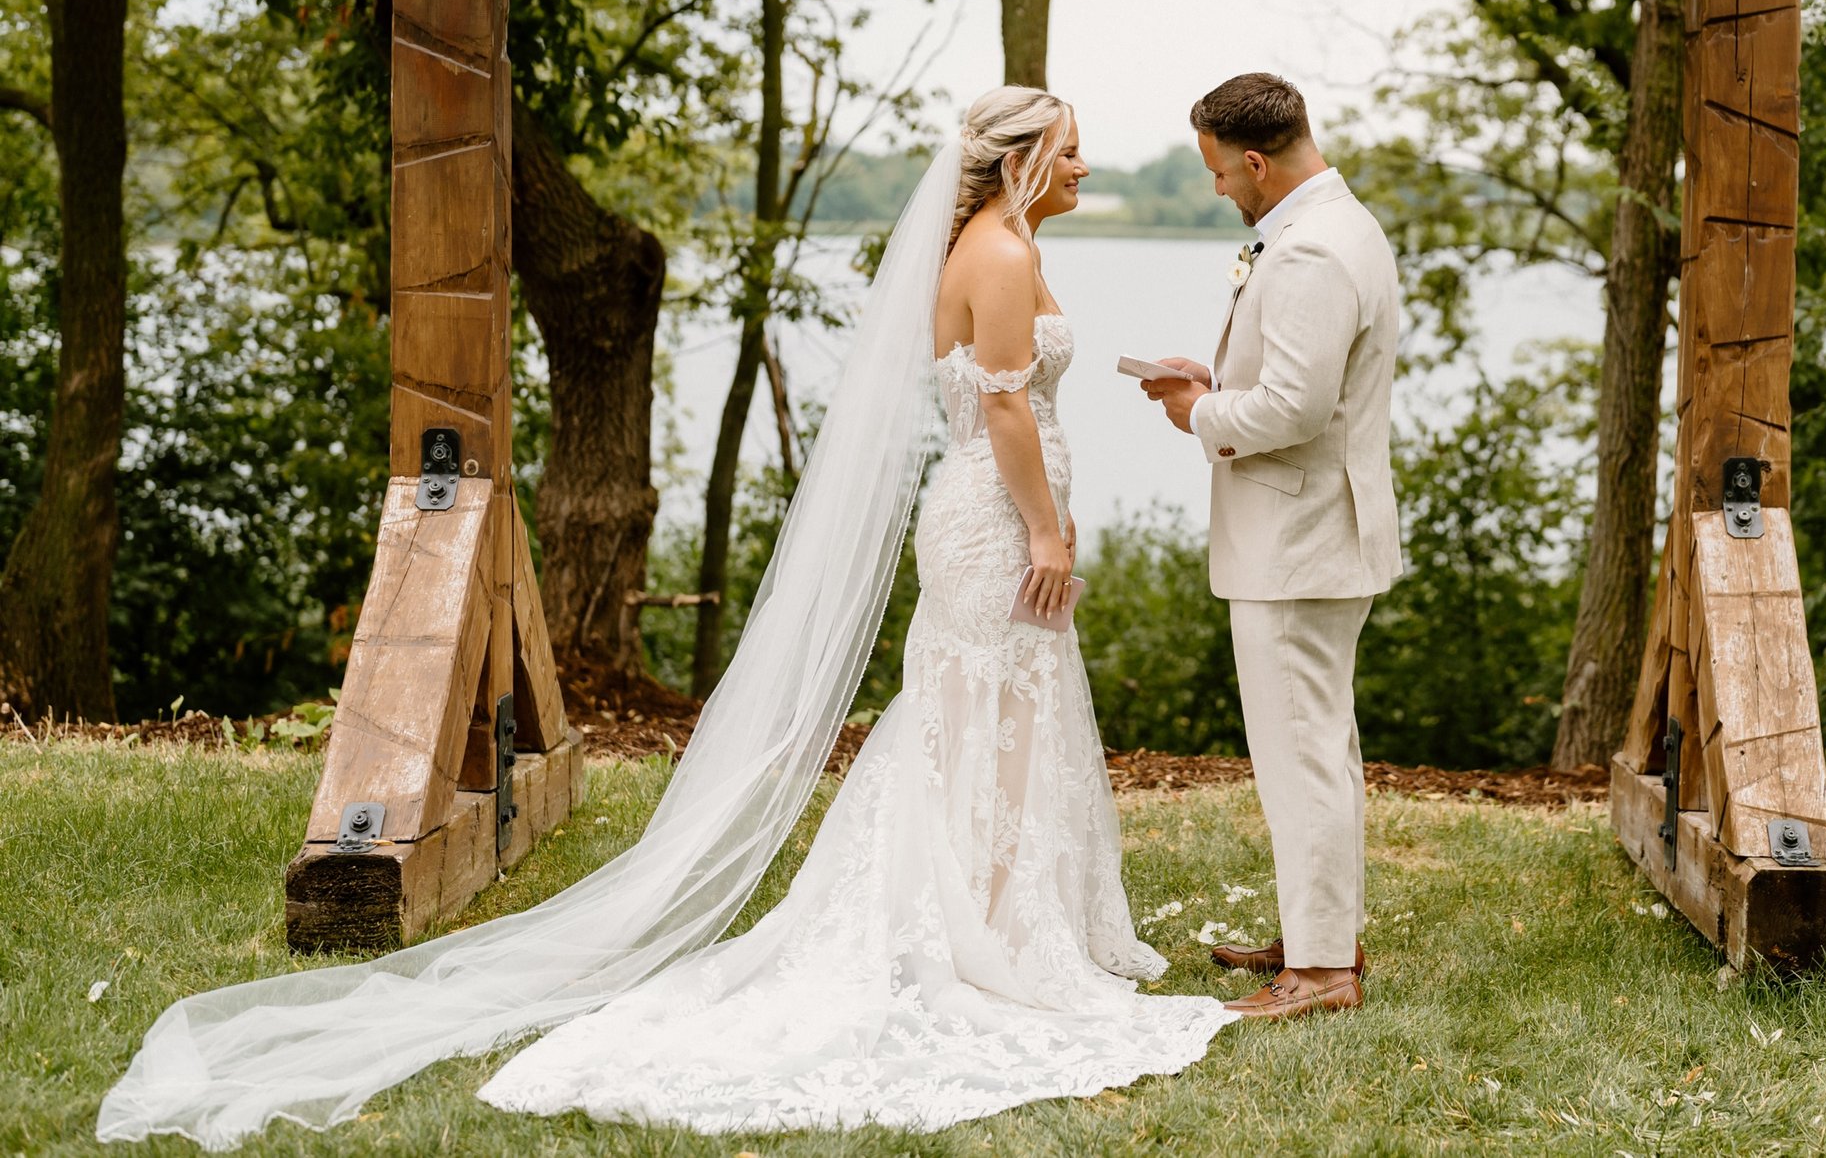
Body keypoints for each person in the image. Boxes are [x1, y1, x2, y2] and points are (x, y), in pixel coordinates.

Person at [99, 88, 1233, 1147]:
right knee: (983, 713)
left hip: (998, 510)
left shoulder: (991, 247)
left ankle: (999, 909)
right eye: (1073, 148)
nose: (1086, 165)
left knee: (990, 716)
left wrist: (1052, 518)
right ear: (1026, 160)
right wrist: (1044, 529)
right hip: (994, 517)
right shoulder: (996, 251)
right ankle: (981, 927)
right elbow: (1002, 412)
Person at [1141, 73, 1403, 1021]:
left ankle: (1327, 971)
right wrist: (1220, 379)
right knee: (1311, 745)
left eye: (1219, 171)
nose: (1217, 188)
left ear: (1256, 161)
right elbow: (1302, 383)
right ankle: (1315, 931)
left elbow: (1293, 411)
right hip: (1315, 531)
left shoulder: (1310, 254)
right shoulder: (1337, 227)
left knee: (1301, 751)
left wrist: (1197, 411)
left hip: (1297, 540)